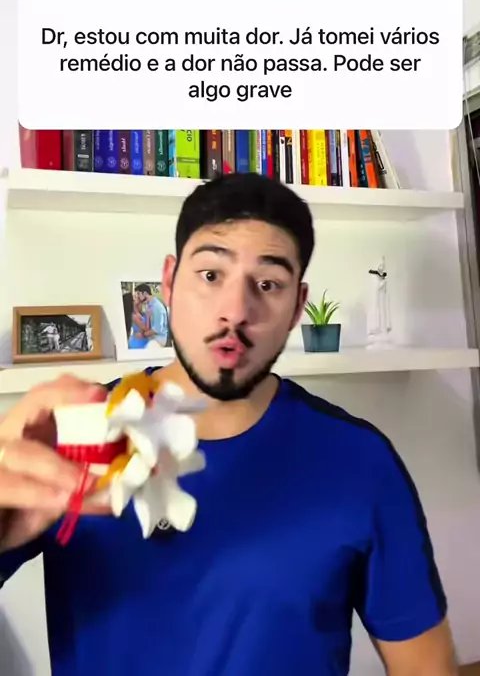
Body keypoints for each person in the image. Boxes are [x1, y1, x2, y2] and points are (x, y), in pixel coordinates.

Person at [0, 172, 457, 676]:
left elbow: (426, 667)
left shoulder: (361, 462)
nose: (235, 311)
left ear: (297, 307)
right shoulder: (73, 434)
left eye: (268, 284)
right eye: (211, 275)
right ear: (169, 282)